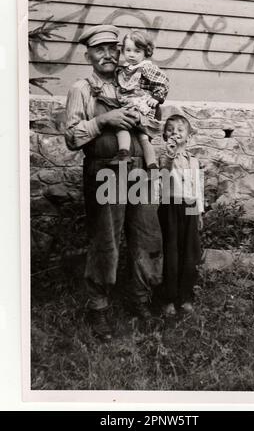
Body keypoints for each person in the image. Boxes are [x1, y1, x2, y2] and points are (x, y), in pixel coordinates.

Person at [64, 25, 163, 340]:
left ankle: (140, 298)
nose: (107, 54)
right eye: (99, 49)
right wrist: (103, 120)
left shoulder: (134, 79)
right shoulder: (82, 88)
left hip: (139, 171)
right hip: (107, 170)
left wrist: (149, 109)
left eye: (112, 48)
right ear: (88, 55)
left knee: (146, 235)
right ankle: (99, 307)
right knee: (106, 240)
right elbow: (71, 137)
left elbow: (156, 127)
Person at [158, 114, 204, 316]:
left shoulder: (193, 161)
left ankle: (185, 297)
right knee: (171, 252)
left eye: (180, 130)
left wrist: (199, 212)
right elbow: (163, 175)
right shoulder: (164, 158)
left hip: (190, 207)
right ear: (163, 135)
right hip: (170, 207)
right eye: (170, 130)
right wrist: (169, 156)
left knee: (189, 253)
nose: (175, 133)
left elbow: (197, 188)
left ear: (189, 137)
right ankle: (167, 298)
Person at [109, 30, 169, 170]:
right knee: (143, 137)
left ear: (145, 52)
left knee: (121, 125)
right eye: (128, 50)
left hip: (140, 107)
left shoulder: (146, 68)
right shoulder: (123, 69)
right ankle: (151, 165)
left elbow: (163, 81)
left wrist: (157, 98)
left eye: (137, 51)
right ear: (123, 51)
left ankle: (124, 153)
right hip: (131, 106)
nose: (131, 54)